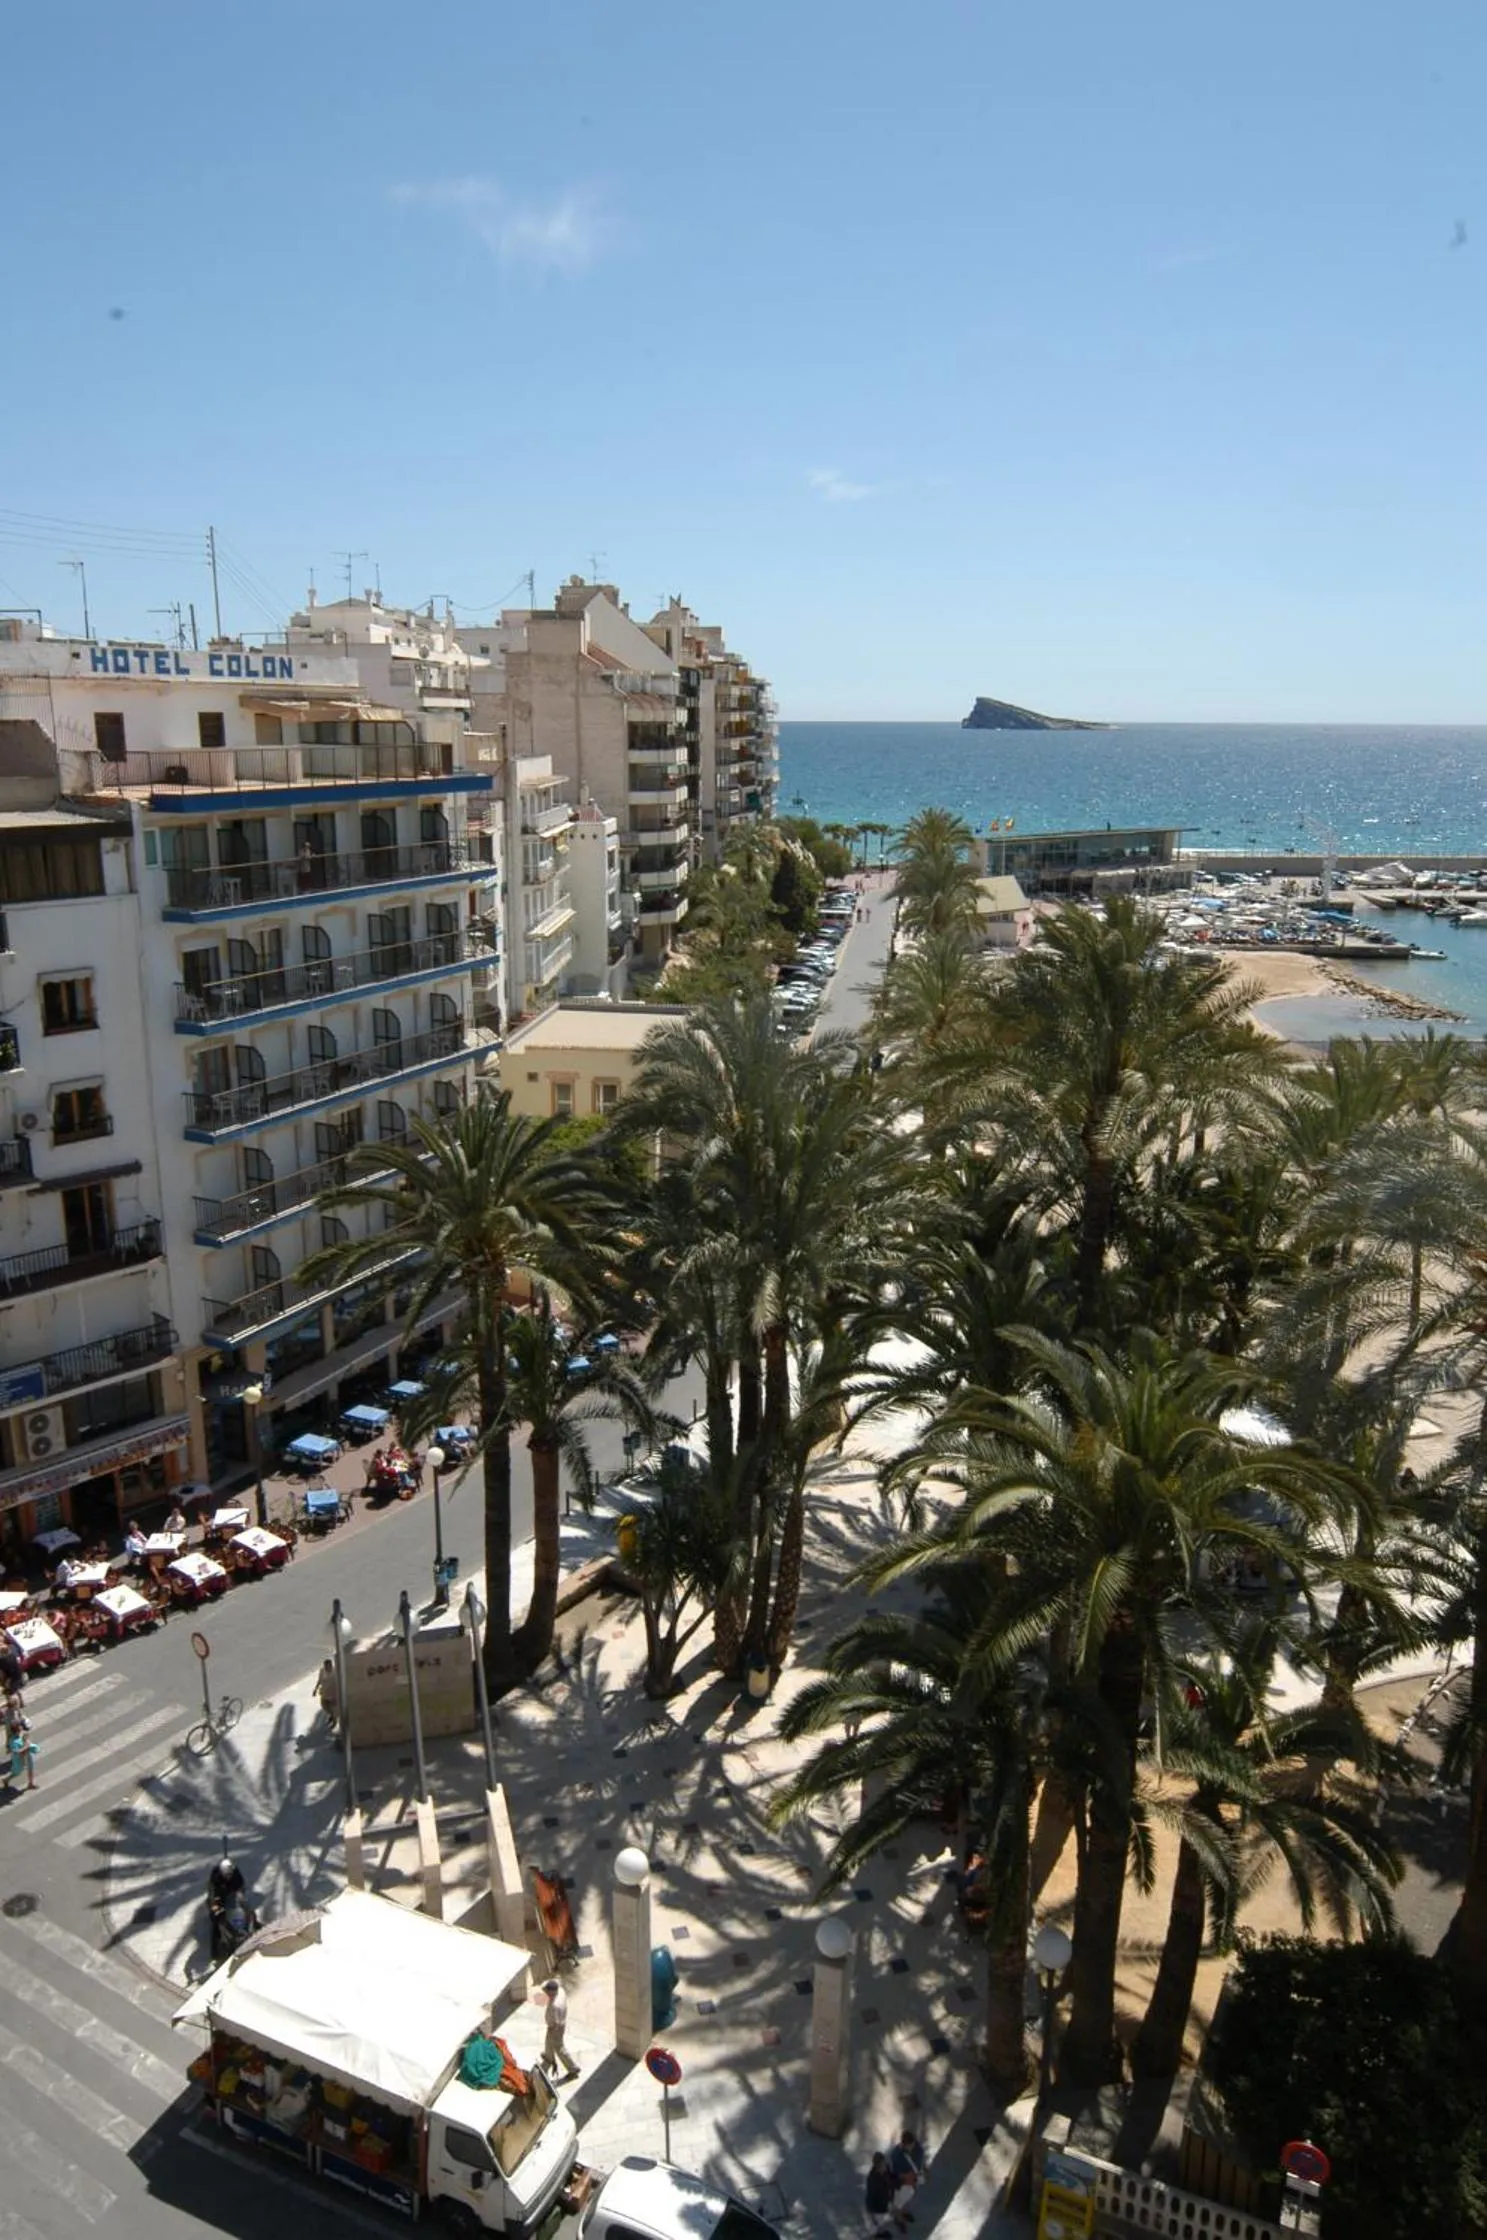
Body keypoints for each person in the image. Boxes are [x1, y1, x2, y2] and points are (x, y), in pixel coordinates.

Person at [540, 1976, 579, 2079]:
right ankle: (548, 2056)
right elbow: (544, 1986)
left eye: (548, 1992)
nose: (546, 1993)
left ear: (552, 1992)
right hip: (556, 2024)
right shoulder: (560, 1991)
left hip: (556, 2027)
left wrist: (552, 2029)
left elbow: (556, 2023)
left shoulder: (555, 2006)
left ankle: (573, 2068)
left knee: (559, 2048)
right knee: (548, 2041)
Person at [865, 2151, 906, 2236]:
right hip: (877, 2205)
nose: (885, 2166)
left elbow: (891, 2177)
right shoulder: (873, 2179)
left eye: (884, 2163)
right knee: (877, 2224)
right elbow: (879, 2194)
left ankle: (898, 2220)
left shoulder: (886, 2168)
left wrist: (899, 2180)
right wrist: (890, 2205)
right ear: (877, 2166)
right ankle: (879, 2233)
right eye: (882, 2165)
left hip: (886, 2199)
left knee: (895, 2207)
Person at [888, 2131, 927, 2216]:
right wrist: (906, 2177)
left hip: (913, 2175)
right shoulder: (896, 2154)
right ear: (904, 2145)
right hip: (902, 2178)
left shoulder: (918, 2150)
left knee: (910, 2190)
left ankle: (898, 2206)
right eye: (909, 2146)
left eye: (912, 2145)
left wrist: (917, 2174)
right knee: (906, 2191)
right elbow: (896, 2173)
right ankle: (896, 2207)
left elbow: (919, 2165)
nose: (911, 2147)